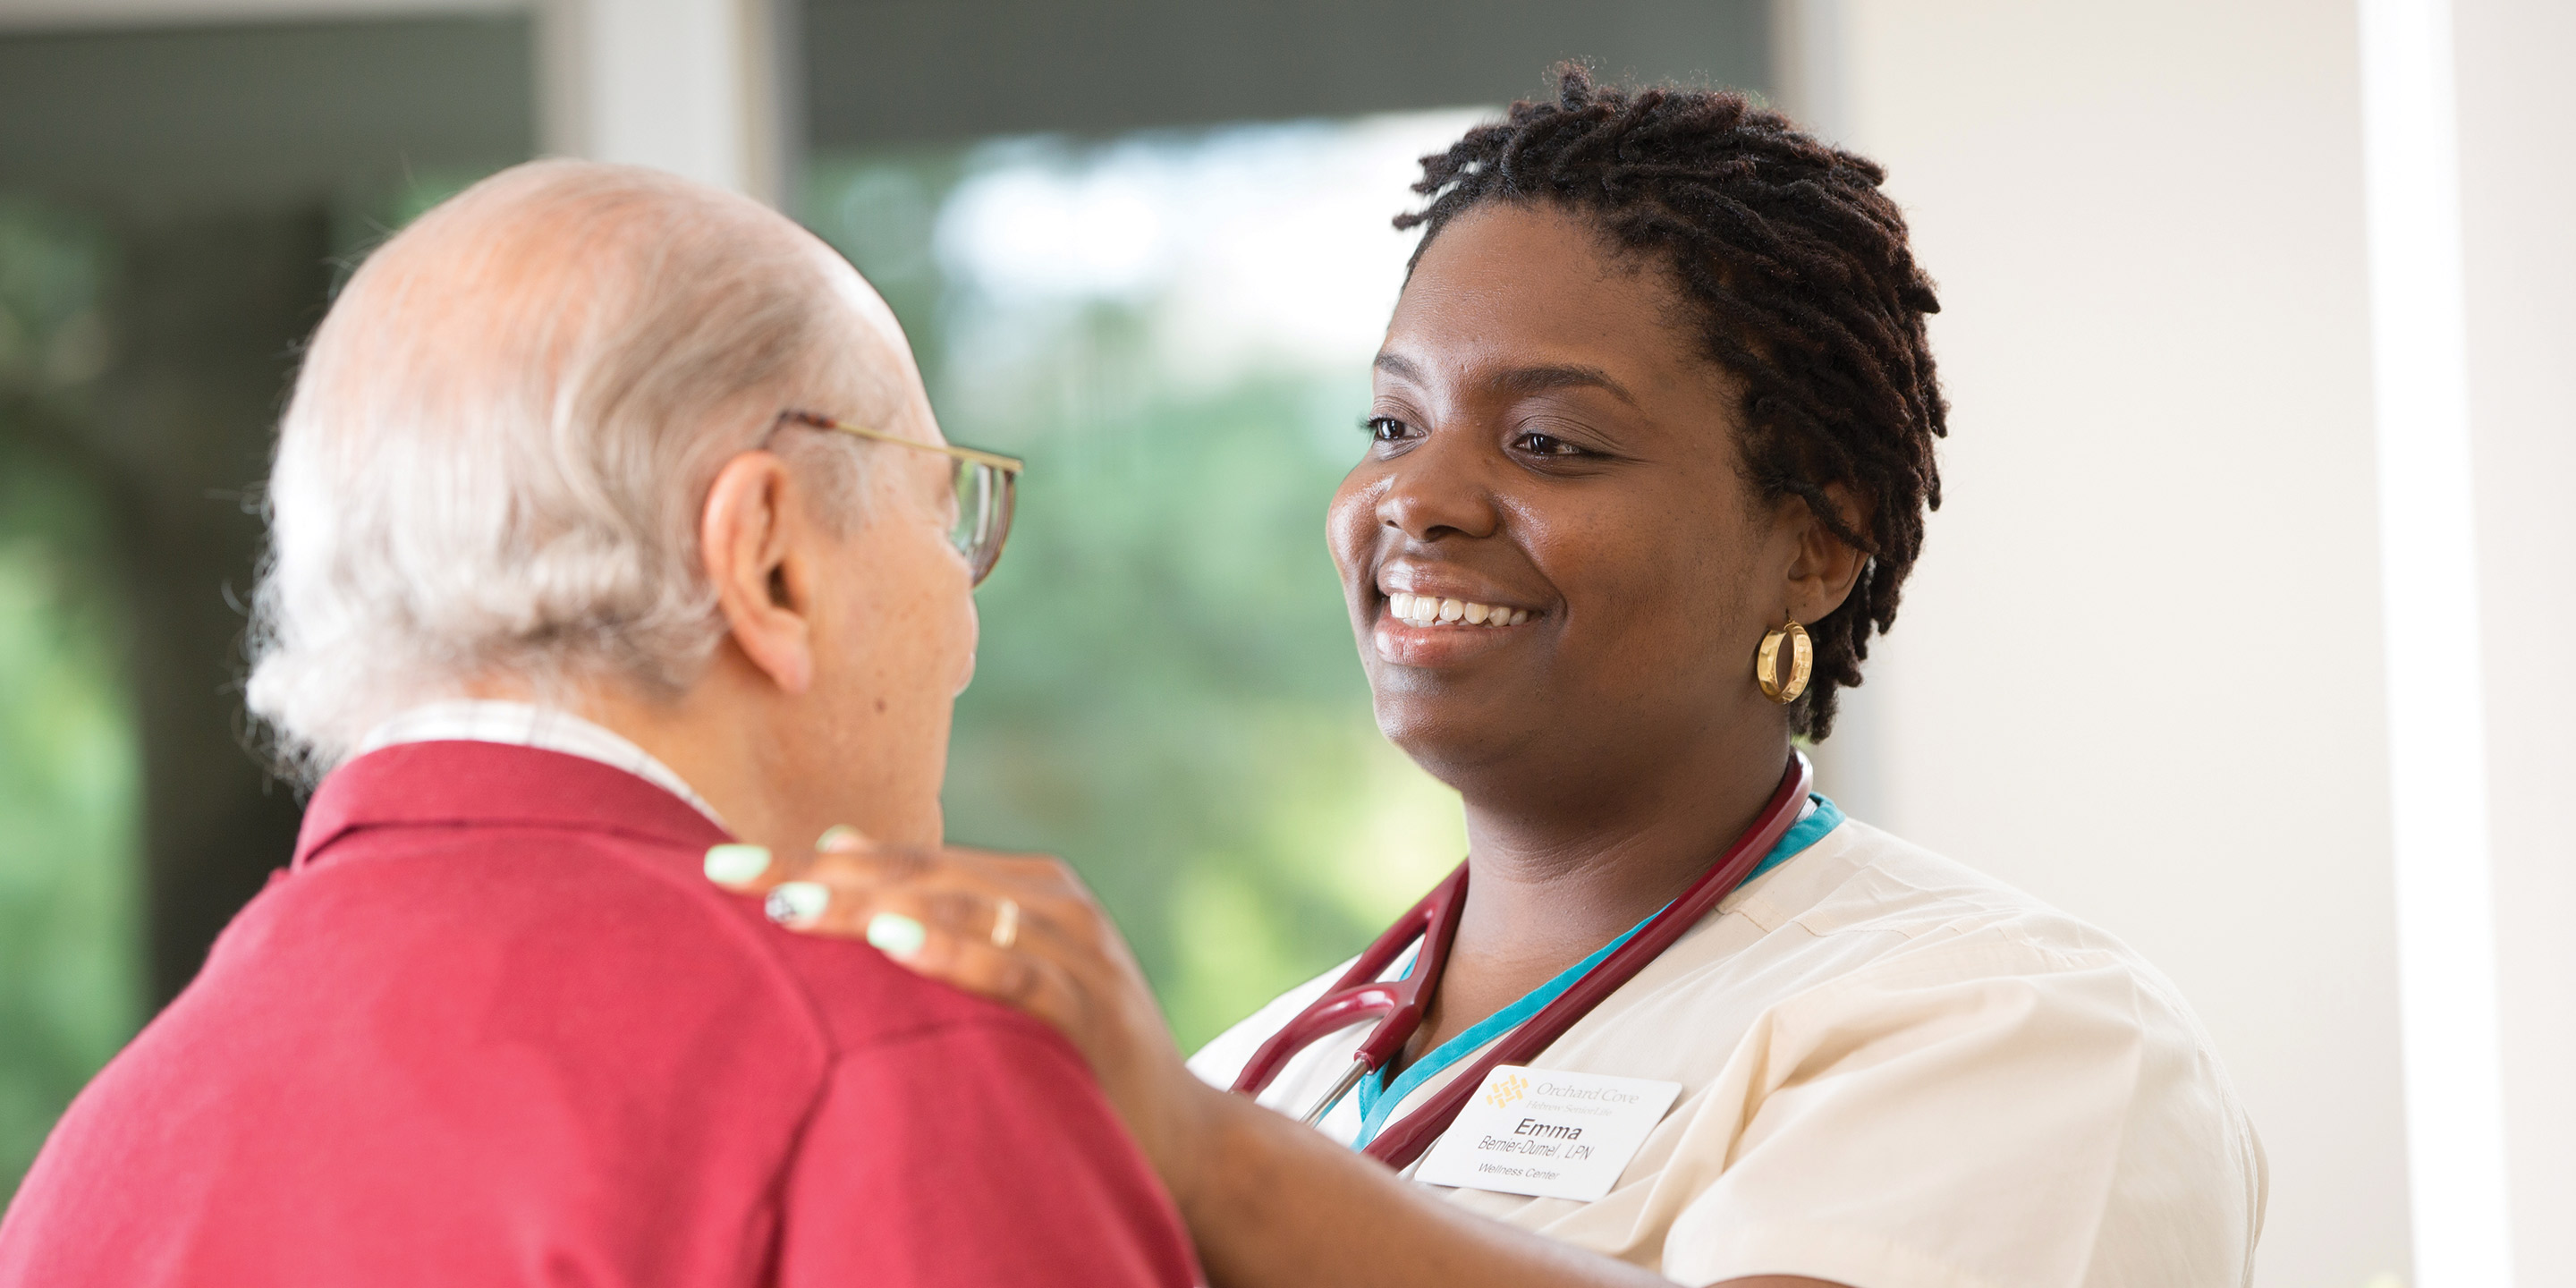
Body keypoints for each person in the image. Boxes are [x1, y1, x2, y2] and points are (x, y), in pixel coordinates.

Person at [718, 71, 2267, 1288]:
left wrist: (1199, 1155)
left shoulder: (2019, 1029)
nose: (1419, 501)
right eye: (1392, 427)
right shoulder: (1276, 1066)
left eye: (1549, 445)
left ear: (1813, 550)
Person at [0, 160, 1199, 1288]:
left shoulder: (93, 1172)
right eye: (945, 520)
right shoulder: (895, 1076)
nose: (966, 630)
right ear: (768, 559)